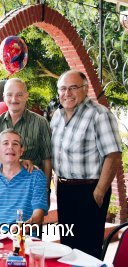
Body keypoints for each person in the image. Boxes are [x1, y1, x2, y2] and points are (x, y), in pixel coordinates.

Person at [51, 70, 122, 258]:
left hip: (89, 190)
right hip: (65, 190)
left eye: (73, 88)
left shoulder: (99, 114)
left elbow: (113, 155)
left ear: (85, 89)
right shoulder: (56, 116)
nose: (67, 93)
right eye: (63, 89)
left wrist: (99, 192)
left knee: (88, 250)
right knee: (68, 246)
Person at [0, 78, 52, 189]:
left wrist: (46, 190)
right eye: (9, 95)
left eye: (19, 95)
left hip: (30, 191)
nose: (14, 99)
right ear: (4, 97)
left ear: (27, 96)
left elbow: (47, 160)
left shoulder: (41, 123)